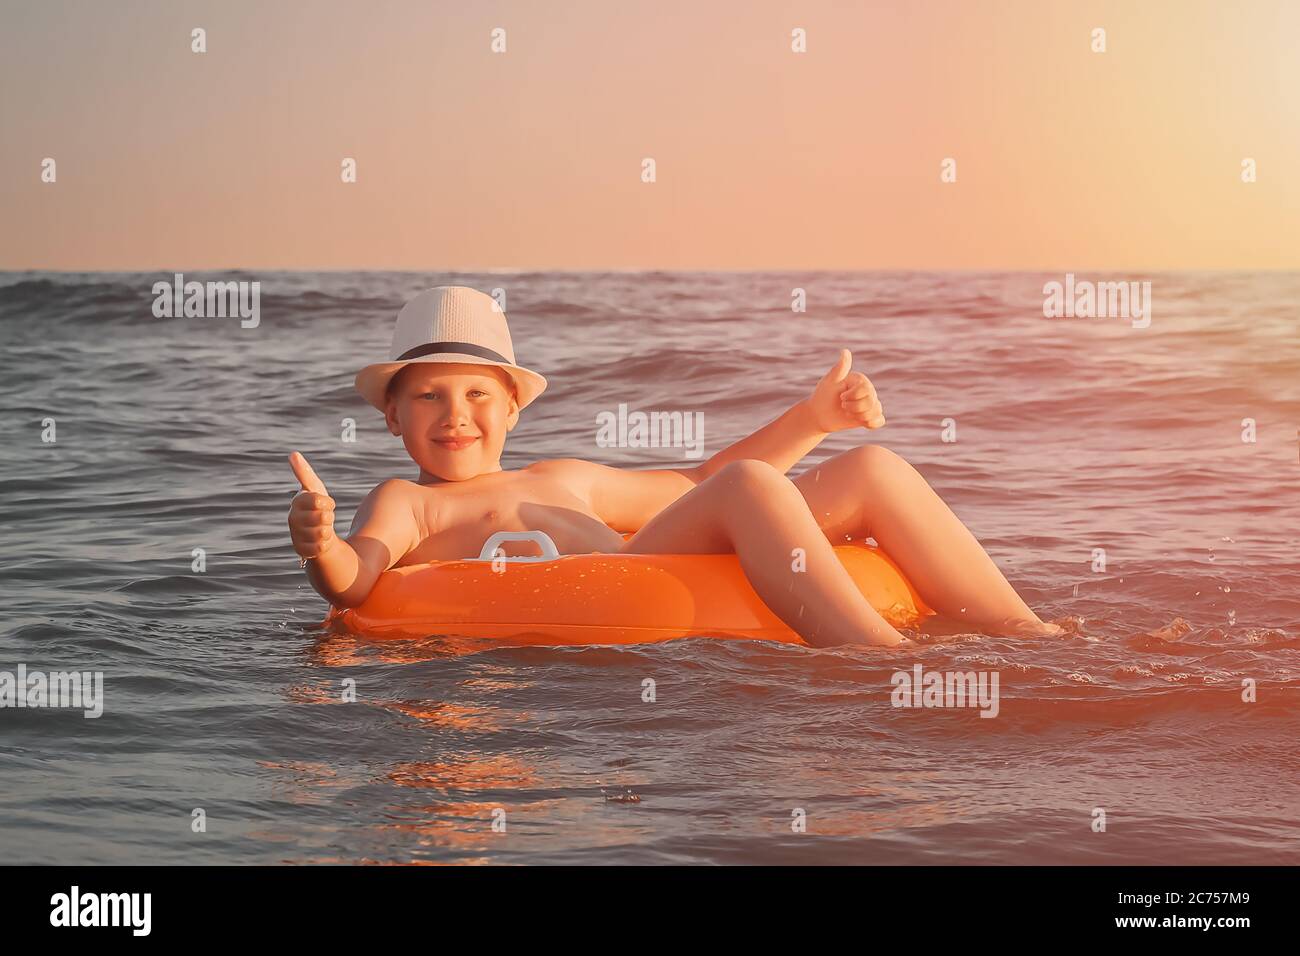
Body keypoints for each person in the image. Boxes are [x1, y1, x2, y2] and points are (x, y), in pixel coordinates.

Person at [289, 286, 1060, 647]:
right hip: (620, 583)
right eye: (427, 397)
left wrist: (816, 420)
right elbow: (359, 578)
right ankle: (879, 657)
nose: (454, 413)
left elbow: (698, 488)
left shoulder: (564, 475)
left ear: (514, 407)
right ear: (392, 418)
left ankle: (1029, 634)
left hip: (653, 557)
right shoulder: (407, 501)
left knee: (874, 467)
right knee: (753, 488)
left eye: (476, 393)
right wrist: (320, 544)